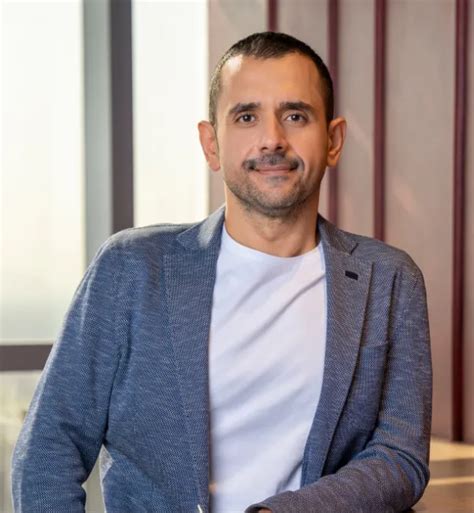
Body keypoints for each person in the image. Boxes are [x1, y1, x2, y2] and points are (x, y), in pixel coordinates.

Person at [11, 32, 432, 513]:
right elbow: (49, 448)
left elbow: (400, 457)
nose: (272, 139)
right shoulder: (131, 269)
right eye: (246, 116)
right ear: (211, 144)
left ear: (333, 141)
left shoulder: (388, 280)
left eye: (295, 115)